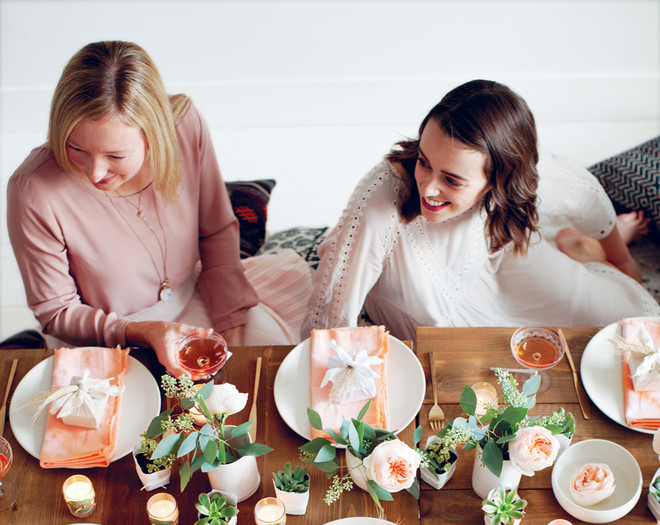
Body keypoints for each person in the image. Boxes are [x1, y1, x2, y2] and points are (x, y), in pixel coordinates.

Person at [7, 41, 311, 373]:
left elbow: (217, 231)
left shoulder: (185, 126)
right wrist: (143, 332)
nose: (94, 172)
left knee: (274, 377)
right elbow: (57, 312)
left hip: (199, 294)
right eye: (76, 148)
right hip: (105, 332)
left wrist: (232, 325)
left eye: (116, 156)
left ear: (154, 136)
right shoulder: (33, 189)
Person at [303, 79, 659, 341]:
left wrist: (622, 259)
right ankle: (577, 247)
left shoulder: (519, 171)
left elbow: (586, 196)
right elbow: (330, 313)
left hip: (504, 256)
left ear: (497, 180)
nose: (428, 188)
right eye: (424, 162)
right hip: (431, 307)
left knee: (633, 329)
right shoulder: (379, 204)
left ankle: (580, 246)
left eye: (452, 180)